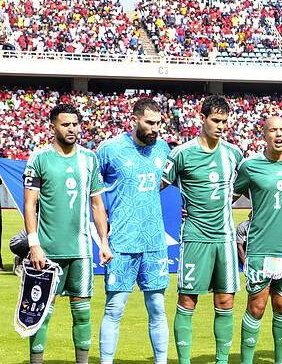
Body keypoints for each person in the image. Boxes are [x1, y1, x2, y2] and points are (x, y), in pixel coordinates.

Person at [22, 103, 111, 364]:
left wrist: (104, 243)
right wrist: (34, 244)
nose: (72, 129)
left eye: (75, 124)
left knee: (82, 314)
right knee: (41, 314)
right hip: (46, 254)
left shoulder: (89, 159)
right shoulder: (39, 158)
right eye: (65, 124)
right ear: (53, 126)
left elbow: (97, 205)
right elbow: (30, 205)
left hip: (81, 254)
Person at [161, 95, 243, 364]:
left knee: (226, 301)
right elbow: (154, 188)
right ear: (202, 118)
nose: (220, 126)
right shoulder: (181, 154)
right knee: (187, 300)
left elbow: (243, 188)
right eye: (216, 120)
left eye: (224, 121)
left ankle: (221, 361)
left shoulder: (234, 154)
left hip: (225, 239)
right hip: (195, 237)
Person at [96, 98, 172, 364]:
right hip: (121, 242)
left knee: (158, 308)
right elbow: (94, 195)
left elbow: (159, 182)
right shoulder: (110, 150)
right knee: (114, 308)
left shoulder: (163, 149)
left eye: (158, 124)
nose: (155, 129)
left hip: (154, 242)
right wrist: (104, 240)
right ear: (135, 119)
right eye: (149, 123)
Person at [233, 116, 282, 363]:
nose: (278, 134)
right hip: (260, 249)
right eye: (273, 130)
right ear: (263, 134)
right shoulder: (250, 165)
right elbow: (227, 198)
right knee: (256, 307)